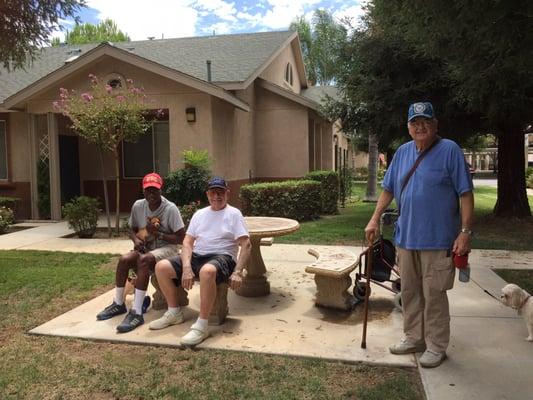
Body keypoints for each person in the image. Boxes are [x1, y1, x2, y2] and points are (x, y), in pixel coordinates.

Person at [364, 102, 474, 368]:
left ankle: (437, 346)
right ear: (409, 128)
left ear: (435, 125)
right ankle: (414, 337)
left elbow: (466, 194)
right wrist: (374, 218)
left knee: (434, 294)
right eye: (415, 123)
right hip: (406, 239)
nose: (420, 126)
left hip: (438, 240)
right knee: (411, 292)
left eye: (426, 121)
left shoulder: (449, 150)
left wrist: (465, 233)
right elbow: (388, 189)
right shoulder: (402, 153)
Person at [149, 176, 252, 346]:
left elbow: (246, 244)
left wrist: (238, 272)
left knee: (207, 271)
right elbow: (187, 242)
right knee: (161, 267)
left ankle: (202, 325)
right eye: (213, 192)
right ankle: (174, 312)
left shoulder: (234, 214)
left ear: (227, 193)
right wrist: (187, 267)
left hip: (223, 256)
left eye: (221, 192)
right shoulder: (200, 214)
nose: (217, 196)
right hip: (198, 255)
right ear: (207, 194)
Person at [96, 172, 185, 333]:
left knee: (143, 260)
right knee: (124, 259)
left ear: (160, 190)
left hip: (168, 249)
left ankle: (136, 312)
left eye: (155, 190)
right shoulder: (138, 206)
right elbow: (132, 229)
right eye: (148, 190)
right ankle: (118, 303)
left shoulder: (170, 209)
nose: (151, 194)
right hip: (147, 248)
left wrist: (159, 234)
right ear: (143, 191)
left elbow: (181, 238)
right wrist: (136, 241)